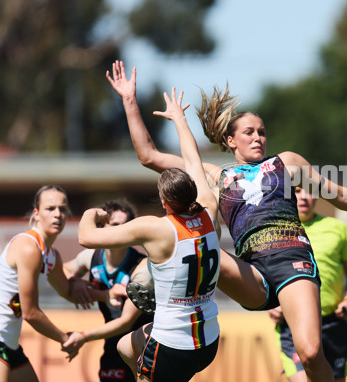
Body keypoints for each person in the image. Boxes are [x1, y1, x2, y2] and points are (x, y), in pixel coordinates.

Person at [106, 60, 347, 382]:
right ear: (231, 142)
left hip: (291, 262)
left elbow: (341, 196)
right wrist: (129, 101)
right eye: (249, 132)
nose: (258, 137)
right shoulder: (218, 177)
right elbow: (148, 155)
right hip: (252, 273)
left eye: (262, 132)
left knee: (311, 354)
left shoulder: (286, 165)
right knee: (197, 245)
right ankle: (158, 306)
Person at [78, 88, 222, 382]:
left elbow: (86, 237)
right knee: (125, 346)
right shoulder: (209, 210)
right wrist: (180, 119)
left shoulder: (156, 229)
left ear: (165, 202)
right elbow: (193, 161)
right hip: (208, 339)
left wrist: (93, 213)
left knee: (138, 357)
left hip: (173, 343)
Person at [0, 185, 121, 382]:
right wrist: (65, 339)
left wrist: (106, 295)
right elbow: (30, 313)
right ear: (36, 214)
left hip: (9, 342)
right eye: (50, 208)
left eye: (63, 209)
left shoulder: (51, 256)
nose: (58, 214)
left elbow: (68, 292)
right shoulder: (29, 248)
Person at [268, 187, 347, 382]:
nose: (304, 197)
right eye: (297, 190)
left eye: (310, 191)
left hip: (333, 322)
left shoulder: (337, 228)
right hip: (293, 324)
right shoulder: (273, 230)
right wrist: (270, 303)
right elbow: (262, 274)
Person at [63, 199, 153, 382]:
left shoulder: (142, 269)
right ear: (102, 227)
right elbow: (63, 270)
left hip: (142, 345)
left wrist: (83, 336)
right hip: (112, 344)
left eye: (124, 226)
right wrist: (75, 281)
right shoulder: (91, 257)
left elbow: (125, 322)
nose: (119, 231)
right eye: (114, 225)